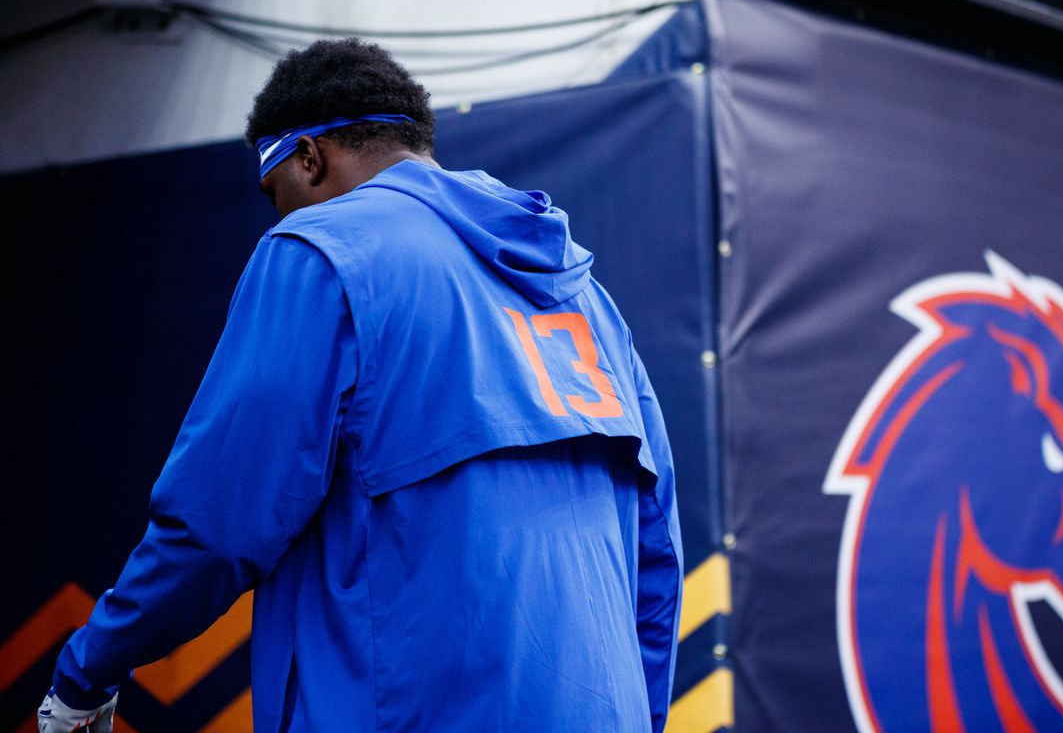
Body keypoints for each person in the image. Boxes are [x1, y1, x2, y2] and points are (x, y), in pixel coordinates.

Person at [38, 39, 682, 732]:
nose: (280, 218)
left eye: (275, 193)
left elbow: (216, 523)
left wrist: (88, 669)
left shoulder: (321, 251)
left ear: (308, 158)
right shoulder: (584, 299)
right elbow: (657, 558)